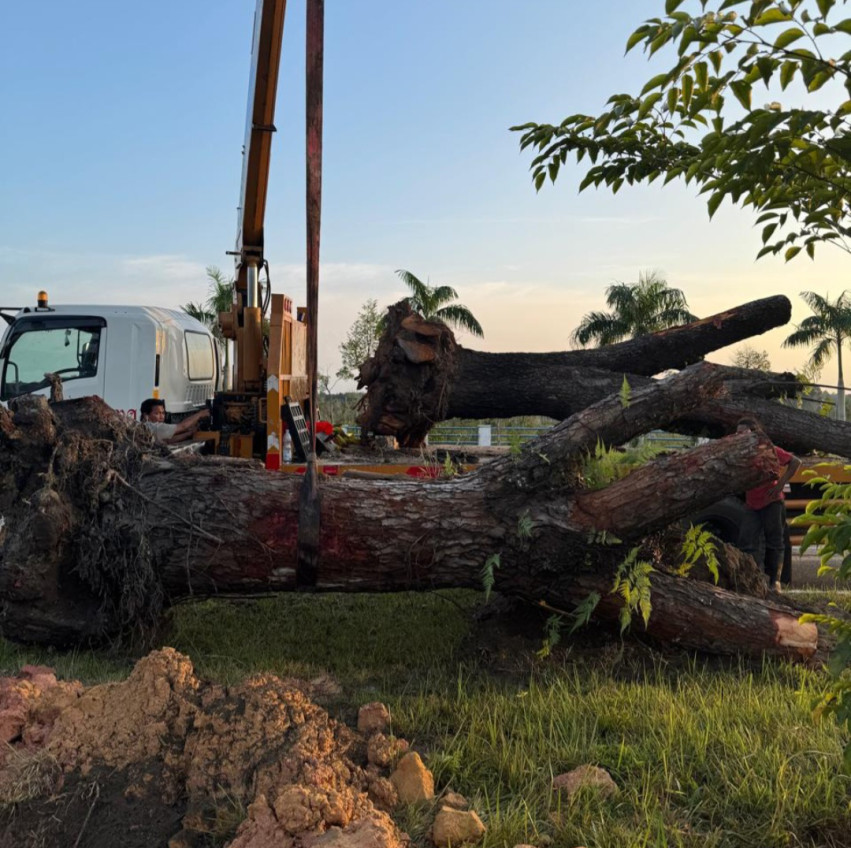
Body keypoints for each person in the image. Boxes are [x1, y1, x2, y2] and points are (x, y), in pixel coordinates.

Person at [736, 416, 801, 591]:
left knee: (774, 542)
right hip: (752, 504)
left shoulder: (768, 449)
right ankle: (754, 580)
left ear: (753, 433)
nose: (740, 436)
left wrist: (781, 483)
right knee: (746, 541)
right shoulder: (737, 454)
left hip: (772, 502)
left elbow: (795, 462)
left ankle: (774, 582)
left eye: (743, 433)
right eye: (738, 433)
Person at [140, 398, 210, 445]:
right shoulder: (155, 427)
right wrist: (200, 414)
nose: (162, 416)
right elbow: (183, 426)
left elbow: (168, 440)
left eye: (163, 413)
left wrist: (189, 433)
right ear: (146, 415)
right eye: (157, 413)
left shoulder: (145, 426)